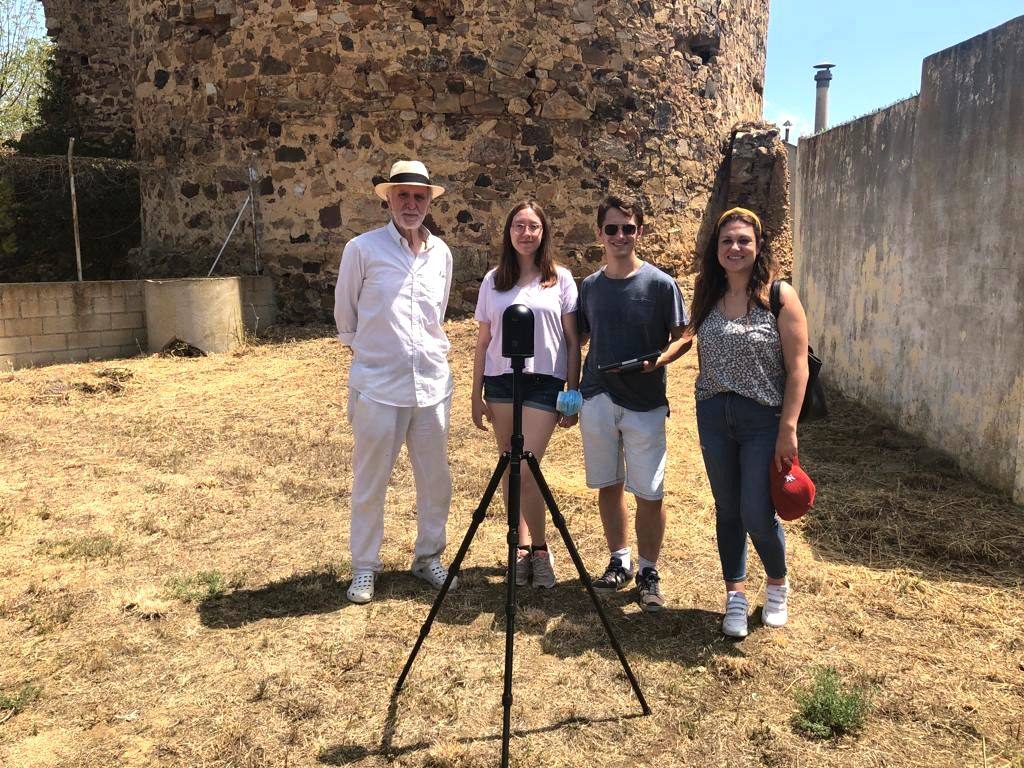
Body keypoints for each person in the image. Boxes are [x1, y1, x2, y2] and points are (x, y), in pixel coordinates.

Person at [334, 160, 457, 605]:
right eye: (402, 195)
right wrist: (379, 357)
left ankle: (428, 557)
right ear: (387, 199)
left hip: (431, 386)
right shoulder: (362, 250)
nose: (411, 204)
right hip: (377, 388)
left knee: (435, 480)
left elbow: (435, 315)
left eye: (419, 197)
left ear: (428, 202)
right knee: (371, 481)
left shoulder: (440, 253)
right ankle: (364, 567)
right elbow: (346, 320)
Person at [688, 206, 809, 637]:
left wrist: (788, 429)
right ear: (716, 249)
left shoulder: (778, 296)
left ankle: (777, 584)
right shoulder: (708, 292)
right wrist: (654, 362)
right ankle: (735, 596)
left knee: (758, 512)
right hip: (714, 414)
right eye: (726, 241)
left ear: (758, 247)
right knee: (728, 510)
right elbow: (688, 338)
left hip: (763, 418)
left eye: (743, 240)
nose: (734, 247)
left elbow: (799, 369)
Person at [578, 194, 690, 612]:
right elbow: (580, 341)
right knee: (608, 484)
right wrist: (573, 392)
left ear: (639, 231)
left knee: (650, 491)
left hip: (645, 402)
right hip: (598, 399)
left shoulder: (661, 284)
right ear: (600, 233)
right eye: (612, 229)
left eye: (628, 228)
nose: (620, 236)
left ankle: (648, 569)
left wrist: (656, 362)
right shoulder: (589, 286)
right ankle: (619, 560)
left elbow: (684, 336)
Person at [471, 201, 580, 588]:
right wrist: (475, 394)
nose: (526, 233)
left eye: (533, 226)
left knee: (529, 466)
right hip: (500, 382)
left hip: (544, 382)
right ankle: (517, 548)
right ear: (509, 232)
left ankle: (540, 550)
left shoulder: (561, 279)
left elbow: (571, 339)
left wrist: (574, 392)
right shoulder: (493, 280)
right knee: (509, 466)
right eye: (519, 225)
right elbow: (483, 340)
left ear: (544, 232)